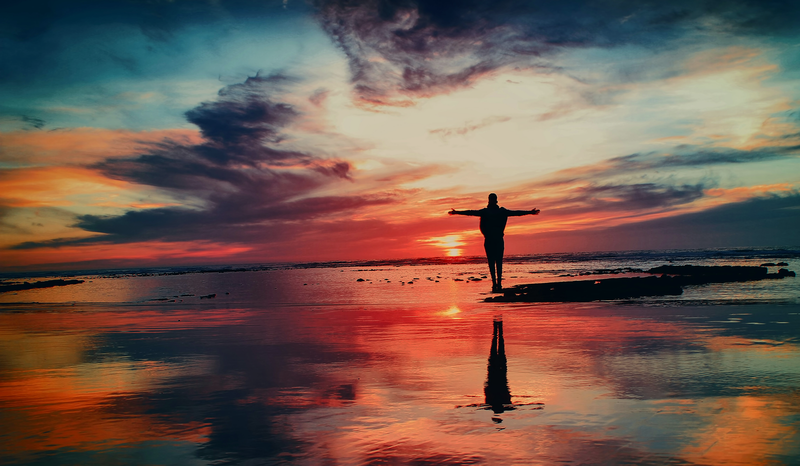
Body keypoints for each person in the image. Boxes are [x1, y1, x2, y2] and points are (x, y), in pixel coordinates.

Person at [449, 193, 539, 292]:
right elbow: (471, 212)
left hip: (494, 240)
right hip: (493, 240)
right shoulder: (494, 211)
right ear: (495, 200)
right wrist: (457, 212)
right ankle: (495, 283)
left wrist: (530, 212)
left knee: (496, 262)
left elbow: (516, 213)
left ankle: (497, 283)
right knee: (493, 262)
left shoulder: (493, 212)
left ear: (490, 200)